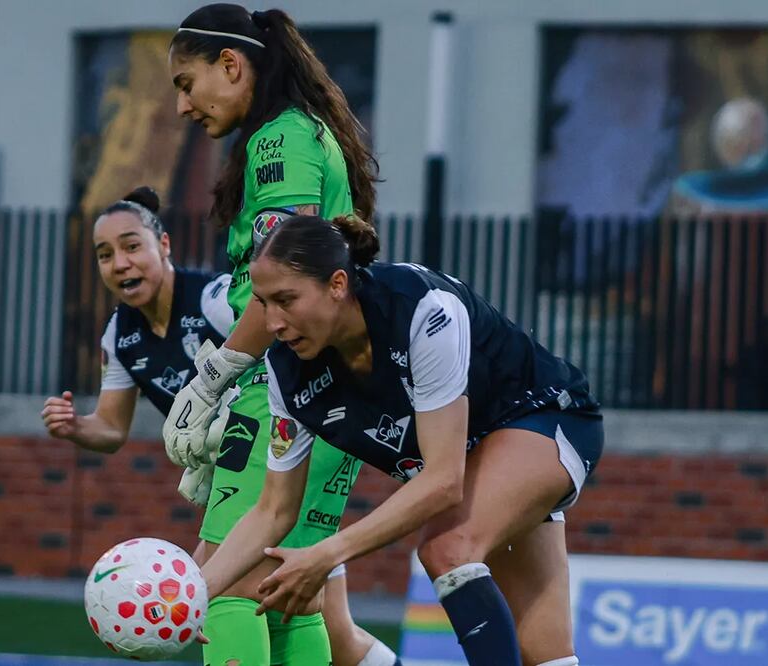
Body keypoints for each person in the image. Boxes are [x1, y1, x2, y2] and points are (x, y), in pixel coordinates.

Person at [195, 215, 606, 666]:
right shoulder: (286, 372)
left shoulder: (422, 309)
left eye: (285, 300)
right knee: (545, 655)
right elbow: (273, 510)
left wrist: (325, 554)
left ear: (336, 285)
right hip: (478, 457)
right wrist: (194, 596)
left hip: (543, 415)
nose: (272, 321)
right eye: (262, 303)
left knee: (447, 548)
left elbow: (445, 481)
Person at [164, 5, 397, 666]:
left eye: (186, 83)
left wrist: (213, 379)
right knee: (290, 587)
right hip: (333, 389)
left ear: (232, 66)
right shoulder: (308, 133)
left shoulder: (278, 140)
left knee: (227, 579)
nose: (183, 107)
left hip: (286, 383)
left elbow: (283, 273)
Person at [41, 186, 232, 456]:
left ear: (163, 245)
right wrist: (75, 426)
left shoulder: (215, 299)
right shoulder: (118, 335)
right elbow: (112, 428)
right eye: (105, 254)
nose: (119, 264)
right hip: (223, 471)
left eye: (132, 247)